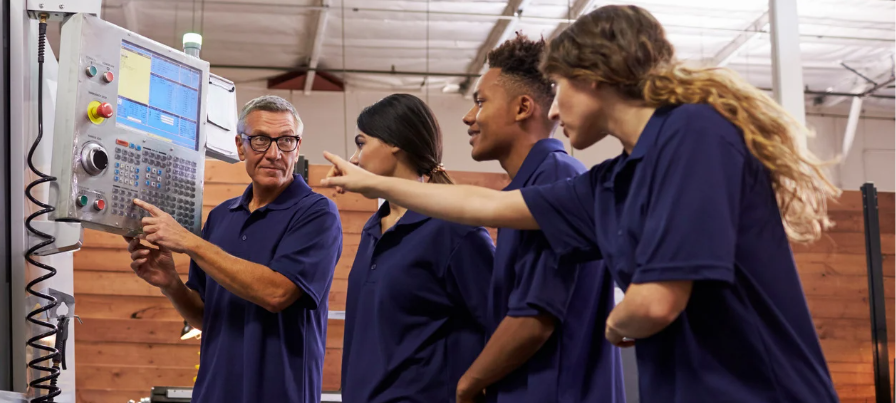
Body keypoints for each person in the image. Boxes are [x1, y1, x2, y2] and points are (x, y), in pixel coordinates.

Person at [322, 5, 840, 403]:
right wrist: (378, 185)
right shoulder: (612, 182)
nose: (555, 104)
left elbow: (655, 302)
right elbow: (486, 207)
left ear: (592, 77)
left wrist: (616, 324)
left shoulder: (694, 131)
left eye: (561, 86)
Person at [126, 95, 342, 403]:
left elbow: (276, 294)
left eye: (286, 141)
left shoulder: (317, 213)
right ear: (240, 147)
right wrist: (171, 283)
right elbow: (205, 316)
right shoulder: (221, 217)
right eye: (260, 141)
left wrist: (189, 241)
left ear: (297, 146)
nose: (274, 153)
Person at [455, 33, 623, 403]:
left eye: (481, 102)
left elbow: (534, 320)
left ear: (522, 107)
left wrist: (468, 384)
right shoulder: (529, 186)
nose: (470, 117)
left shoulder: (556, 177)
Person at [339, 93, 496, 403]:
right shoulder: (374, 228)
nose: (355, 158)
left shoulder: (454, 230)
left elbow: (498, 326)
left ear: (394, 142)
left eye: (361, 143)